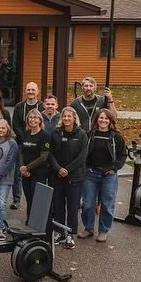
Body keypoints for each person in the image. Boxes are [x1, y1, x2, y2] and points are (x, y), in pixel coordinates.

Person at [80, 109, 126, 243]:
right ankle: (88, 228)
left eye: (106, 119)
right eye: (101, 118)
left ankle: (103, 230)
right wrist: (85, 167)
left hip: (108, 175)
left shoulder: (116, 137)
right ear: (96, 120)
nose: (103, 121)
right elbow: (82, 152)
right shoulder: (89, 135)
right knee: (87, 204)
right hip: (91, 173)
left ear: (110, 121)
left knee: (107, 204)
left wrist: (114, 168)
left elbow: (123, 155)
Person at [49, 107, 88, 249]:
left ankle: (70, 234)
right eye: (64, 116)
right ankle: (59, 231)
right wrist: (58, 168)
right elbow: (50, 153)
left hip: (75, 177)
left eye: (69, 117)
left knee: (72, 207)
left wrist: (68, 170)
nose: (66, 119)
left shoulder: (82, 135)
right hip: (57, 176)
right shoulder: (56, 133)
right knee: (58, 206)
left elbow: (82, 157)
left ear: (74, 118)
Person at [18, 109, 51, 222]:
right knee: (29, 199)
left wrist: (27, 167)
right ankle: (30, 220)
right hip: (26, 174)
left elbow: (43, 157)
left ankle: (37, 223)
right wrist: (22, 167)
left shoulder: (44, 136)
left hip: (38, 173)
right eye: (30, 117)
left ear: (40, 120)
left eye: (35, 117)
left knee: (37, 200)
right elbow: (21, 151)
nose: (33, 120)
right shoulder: (27, 133)